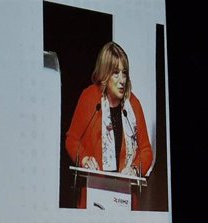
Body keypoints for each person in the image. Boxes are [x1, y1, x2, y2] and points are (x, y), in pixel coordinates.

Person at [65, 41, 153, 209]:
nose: (122, 80)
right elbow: (72, 139)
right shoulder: (89, 97)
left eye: (124, 73)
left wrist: (135, 169)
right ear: (105, 74)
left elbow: (146, 150)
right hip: (93, 195)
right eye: (115, 73)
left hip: (125, 198)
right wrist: (84, 158)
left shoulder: (133, 104)